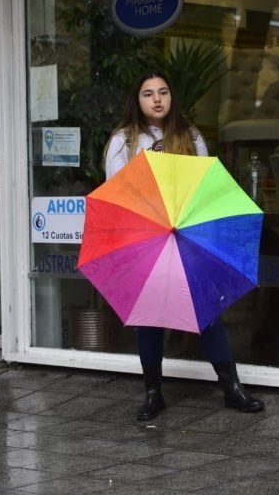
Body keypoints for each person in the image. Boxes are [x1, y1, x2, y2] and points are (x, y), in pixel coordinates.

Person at [104, 70, 265, 421]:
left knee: (205, 310)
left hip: (188, 233)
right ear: (138, 100)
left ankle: (231, 388)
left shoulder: (190, 137)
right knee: (149, 317)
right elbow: (117, 195)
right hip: (143, 236)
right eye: (148, 94)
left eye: (163, 92)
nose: (157, 99)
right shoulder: (123, 141)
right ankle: (152, 393)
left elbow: (206, 186)